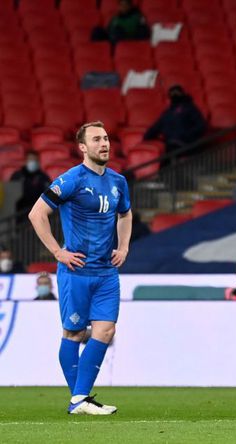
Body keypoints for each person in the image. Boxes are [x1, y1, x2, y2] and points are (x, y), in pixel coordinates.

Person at [28, 121, 132, 415]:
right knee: (73, 334)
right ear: (83, 148)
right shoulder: (71, 179)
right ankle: (80, 400)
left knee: (106, 330)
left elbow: (125, 214)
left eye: (106, 138)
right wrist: (58, 252)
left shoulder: (118, 182)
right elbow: (37, 214)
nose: (104, 144)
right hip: (77, 271)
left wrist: (123, 247)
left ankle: (80, 398)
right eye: (97, 139)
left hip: (106, 273)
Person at [143, 85, 207, 154]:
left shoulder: (190, 108)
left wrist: (187, 136)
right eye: (172, 93)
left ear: (182, 94)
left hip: (186, 143)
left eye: (176, 92)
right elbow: (155, 128)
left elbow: (201, 126)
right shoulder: (167, 113)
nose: (174, 95)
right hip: (170, 144)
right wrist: (148, 138)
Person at [10, 151, 51, 215]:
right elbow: (11, 194)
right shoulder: (17, 176)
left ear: (38, 162)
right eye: (31, 160)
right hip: (19, 215)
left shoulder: (44, 177)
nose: (33, 162)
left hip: (38, 213)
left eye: (35, 160)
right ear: (25, 161)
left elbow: (48, 195)